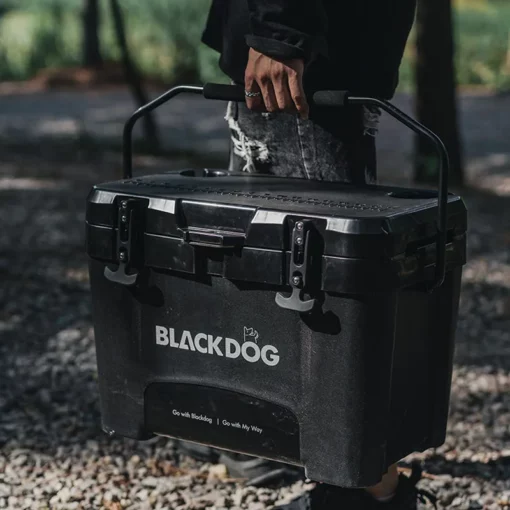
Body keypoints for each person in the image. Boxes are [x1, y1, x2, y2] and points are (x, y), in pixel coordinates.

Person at [174, 1, 438, 508]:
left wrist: (282, 33)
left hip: (306, 58)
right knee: (264, 268)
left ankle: (365, 487)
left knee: (330, 291)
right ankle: (263, 441)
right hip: (296, 49)